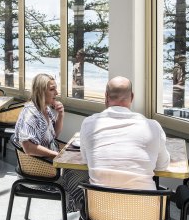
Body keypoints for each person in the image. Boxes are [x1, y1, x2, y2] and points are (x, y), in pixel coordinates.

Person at [13, 73, 88, 212]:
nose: (57, 93)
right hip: (38, 173)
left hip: (50, 165)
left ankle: (85, 208)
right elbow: (28, 148)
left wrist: (60, 115)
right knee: (82, 182)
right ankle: (84, 209)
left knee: (83, 176)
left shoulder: (45, 109)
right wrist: (58, 156)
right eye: (52, 89)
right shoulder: (31, 114)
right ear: (40, 90)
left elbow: (55, 134)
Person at [80, 76, 169, 189]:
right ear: (132, 97)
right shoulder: (153, 127)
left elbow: (85, 159)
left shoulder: (88, 123)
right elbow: (162, 166)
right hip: (144, 205)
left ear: (106, 96)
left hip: (100, 204)